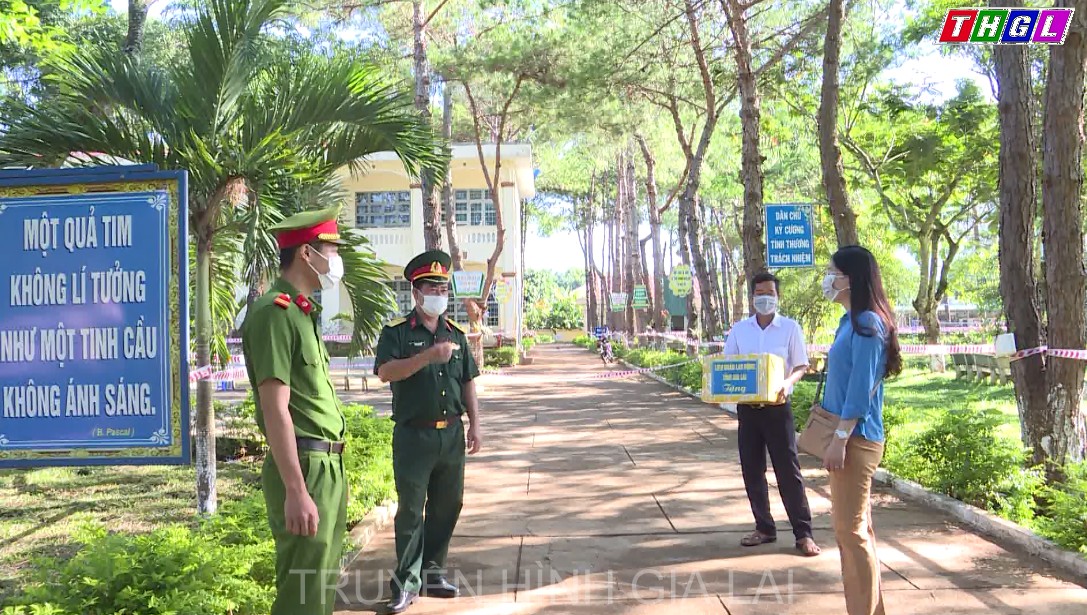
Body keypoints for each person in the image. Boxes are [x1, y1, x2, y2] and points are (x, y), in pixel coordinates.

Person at [240, 205, 349, 615]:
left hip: (326, 465)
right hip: (304, 467)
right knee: (302, 593)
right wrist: (296, 489)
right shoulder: (275, 314)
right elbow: (276, 410)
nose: (335, 260)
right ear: (307, 253)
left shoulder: (302, 313)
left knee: (319, 588)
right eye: (330, 249)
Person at [374, 250, 482, 614]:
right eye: (431, 287)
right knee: (410, 511)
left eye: (442, 287)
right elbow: (386, 372)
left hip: (451, 435)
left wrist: (476, 425)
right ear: (416, 293)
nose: (438, 292)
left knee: (447, 506)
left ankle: (433, 573)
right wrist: (426, 357)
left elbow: (468, 382)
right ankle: (405, 583)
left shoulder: (457, 336)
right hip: (413, 436)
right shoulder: (397, 334)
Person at [820, 245, 902, 615]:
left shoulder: (868, 323)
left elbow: (860, 387)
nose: (827, 278)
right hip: (845, 436)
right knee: (858, 532)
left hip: (856, 438)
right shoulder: (849, 320)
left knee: (850, 533)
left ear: (850, 278)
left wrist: (840, 438)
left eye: (831, 271)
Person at [722, 272, 821, 557]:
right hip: (748, 411)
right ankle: (764, 528)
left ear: (778, 297)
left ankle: (803, 534)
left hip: (778, 410)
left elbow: (801, 365)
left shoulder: (790, 328)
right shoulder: (740, 331)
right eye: (760, 293)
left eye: (771, 293)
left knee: (788, 472)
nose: (766, 298)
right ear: (752, 297)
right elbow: (728, 366)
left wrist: (787, 384)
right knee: (752, 470)